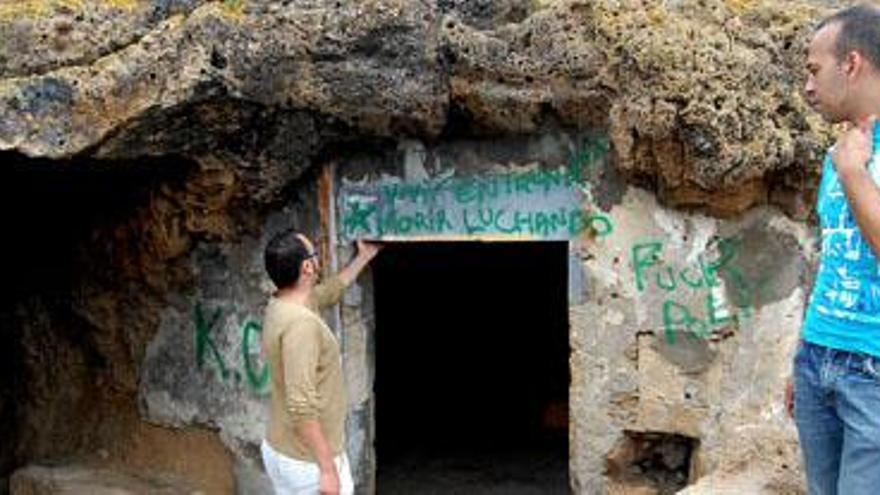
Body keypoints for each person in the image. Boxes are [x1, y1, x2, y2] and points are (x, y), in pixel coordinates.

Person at [786, 5, 880, 494]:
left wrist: (853, 173)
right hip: (819, 360)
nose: (807, 87)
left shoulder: (849, 161)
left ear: (852, 63)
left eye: (814, 70)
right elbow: (833, 256)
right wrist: (805, 350)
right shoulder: (841, 150)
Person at [260, 229, 381, 495]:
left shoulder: (282, 304)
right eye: (315, 253)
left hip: (285, 448)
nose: (319, 258)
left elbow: (327, 292)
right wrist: (327, 469)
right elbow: (301, 404)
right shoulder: (301, 325)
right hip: (308, 461)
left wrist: (363, 258)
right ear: (307, 267)